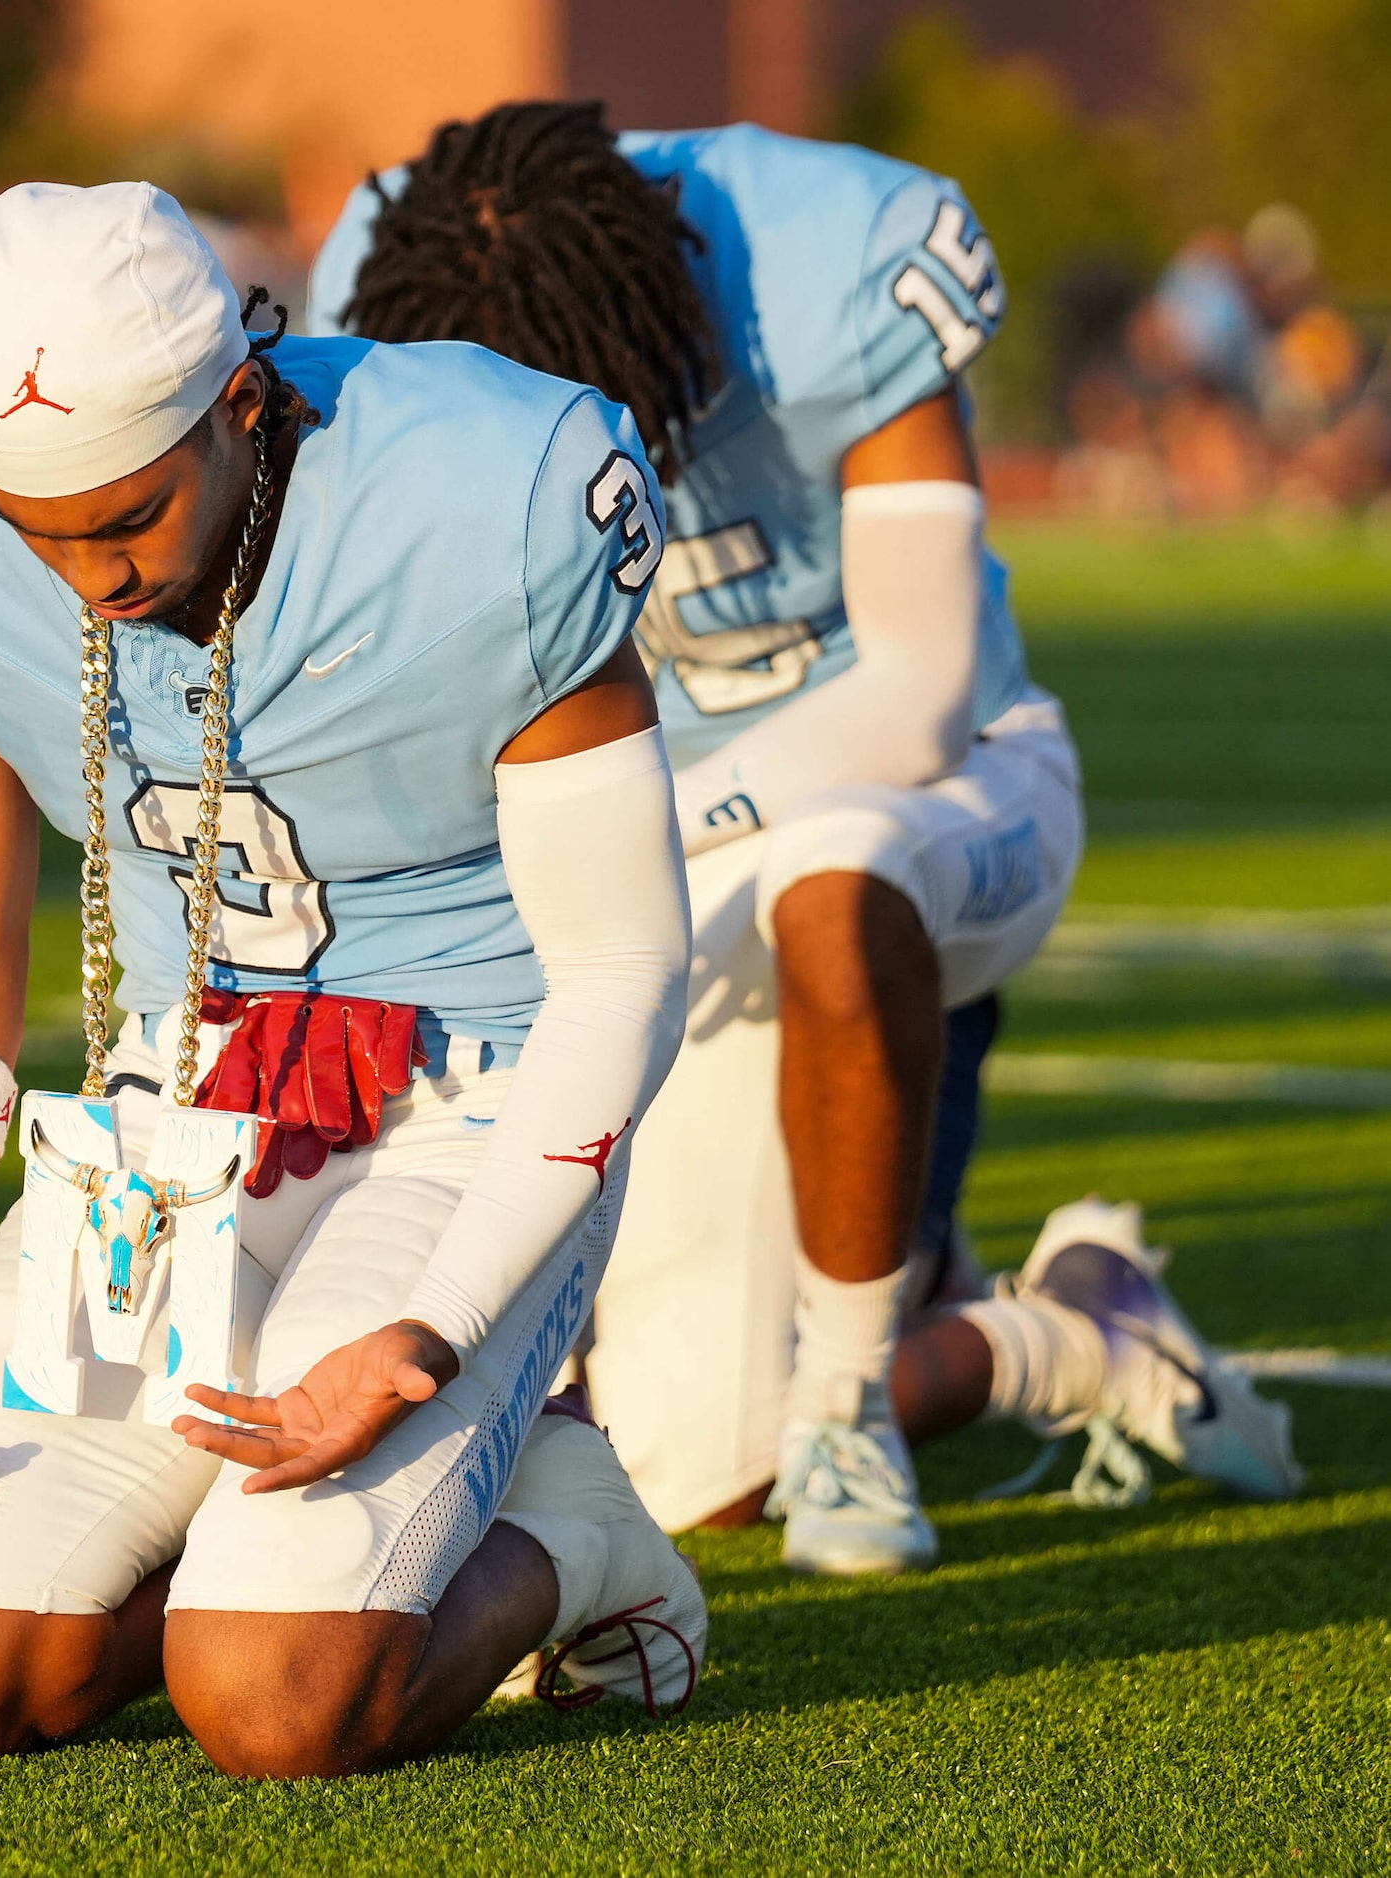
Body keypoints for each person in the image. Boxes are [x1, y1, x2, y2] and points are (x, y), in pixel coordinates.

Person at [0, 180, 703, 1776]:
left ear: (239, 406)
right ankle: (291, 1555)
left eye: (126, 519)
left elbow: (625, 965)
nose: (90, 579)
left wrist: (436, 1322)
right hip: (173, 1113)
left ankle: (581, 1536)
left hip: (475, 1101)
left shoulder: (483, 497)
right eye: (34, 533)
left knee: (271, 1703)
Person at [309, 102, 1297, 1573]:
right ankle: (1056, 1325)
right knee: (699, 1473)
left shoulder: (837, 255)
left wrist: (650, 844)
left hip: (937, 795)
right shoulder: (388, 276)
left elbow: (915, 697)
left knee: (835, 877)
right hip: (664, 851)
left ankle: (856, 1393)